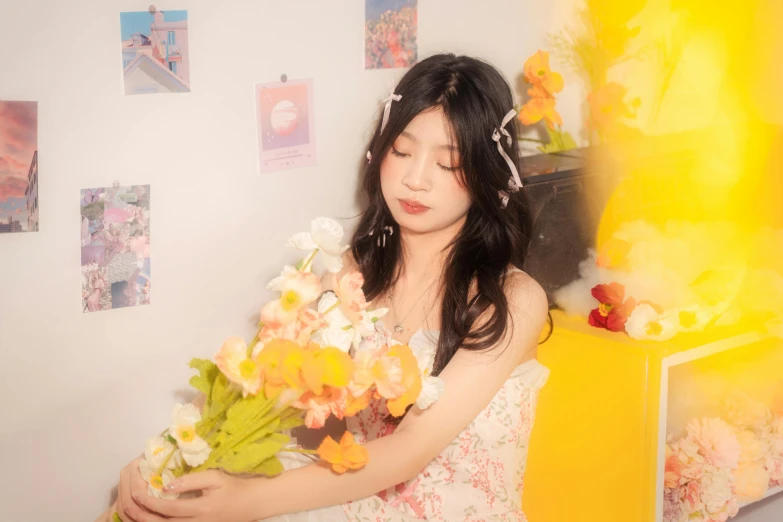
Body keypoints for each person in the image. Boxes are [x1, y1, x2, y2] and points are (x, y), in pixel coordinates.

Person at [104, 53, 551, 522]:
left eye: (448, 162)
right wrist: (162, 456)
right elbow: (256, 375)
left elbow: (411, 449)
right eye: (401, 150)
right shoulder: (347, 271)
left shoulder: (513, 300)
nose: (415, 180)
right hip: (348, 493)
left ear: (487, 174)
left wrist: (243, 502)